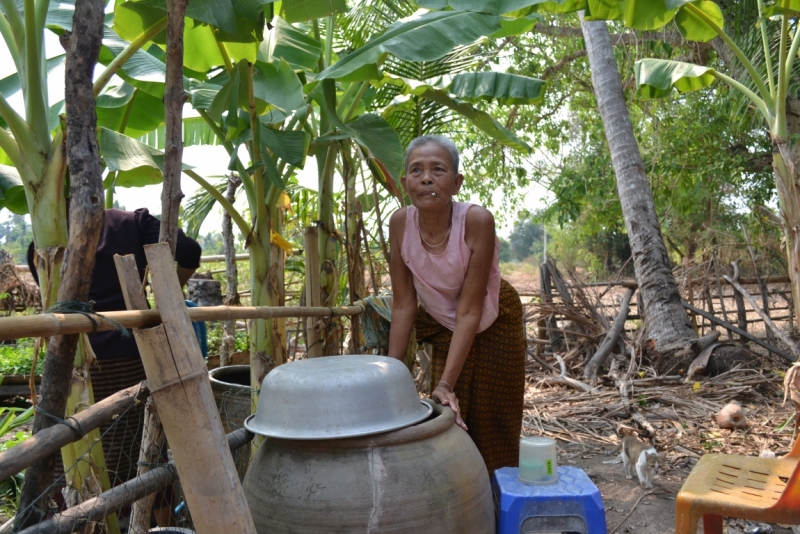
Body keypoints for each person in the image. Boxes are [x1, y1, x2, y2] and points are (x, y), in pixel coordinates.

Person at [28, 207, 201, 494]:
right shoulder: (131, 223)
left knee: (72, 444)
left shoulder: (43, 237)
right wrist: (166, 292)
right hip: (129, 352)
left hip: (68, 359)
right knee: (137, 443)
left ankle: (81, 513)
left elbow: (51, 293)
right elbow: (190, 251)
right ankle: (141, 512)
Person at [387, 135, 526, 474]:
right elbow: (405, 305)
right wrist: (390, 376)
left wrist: (445, 383)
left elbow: (469, 310)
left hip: (493, 314)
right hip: (442, 320)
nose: (426, 178)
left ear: (457, 182)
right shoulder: (399, 223)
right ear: (405, 183)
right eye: (416, 171)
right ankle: (458, 490)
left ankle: (495, 496)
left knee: (493, 414)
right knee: (446, 412)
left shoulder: (476, 221)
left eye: (438, 169)